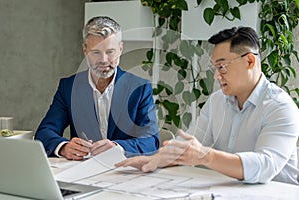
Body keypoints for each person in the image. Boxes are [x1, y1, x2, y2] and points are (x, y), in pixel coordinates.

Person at [116, 26, 299, 185]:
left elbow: (264, 166)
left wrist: (205, 155)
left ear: (249, 61)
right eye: (214, 68)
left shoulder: (280, 107)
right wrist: (151, 161)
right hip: (229, 191)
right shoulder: (217, 101)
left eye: (222, 67)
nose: (217, 76)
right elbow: (188, 147)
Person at [35, 16, 159, 160]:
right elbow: (44, 132)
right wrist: (63, 147)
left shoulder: (140, 88)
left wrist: (118, 147)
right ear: (85, 50)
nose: (103, 60)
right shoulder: (68, 87)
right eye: (96, 52)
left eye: (110, 52)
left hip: (125, 171)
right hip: (81, 171)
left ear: (120, 49)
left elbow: (151, 141)